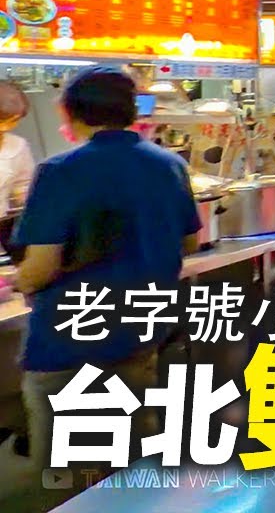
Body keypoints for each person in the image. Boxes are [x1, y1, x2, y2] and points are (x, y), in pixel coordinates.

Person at [13, 67, 202, 488]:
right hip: (139, 335)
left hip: (69, 342)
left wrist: (19, 282)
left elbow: (40, 266)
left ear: (69, 112)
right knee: (129, 468)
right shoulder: (167, 164)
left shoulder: (61, 170)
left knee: (65, 480)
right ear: (131, 110)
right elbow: (189, 243)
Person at [0, 81, 35, 217]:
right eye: (1, 121)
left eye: (13, 121)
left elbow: (24, 187)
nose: (5, 128)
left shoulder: (18, 146)